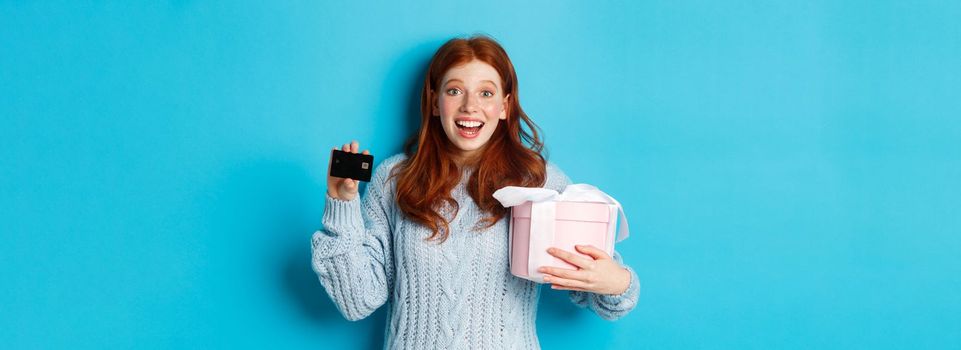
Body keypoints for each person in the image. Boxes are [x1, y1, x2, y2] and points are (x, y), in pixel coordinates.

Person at [311, 34, 640, 349]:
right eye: (455, 91)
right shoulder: (395, 178)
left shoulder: (538, 181)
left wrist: (618, 283)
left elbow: (609, 296)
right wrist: (342, 203)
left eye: (486, 93)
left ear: (504, 106)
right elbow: (356, 300)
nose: (470, 106)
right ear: (435, 102)